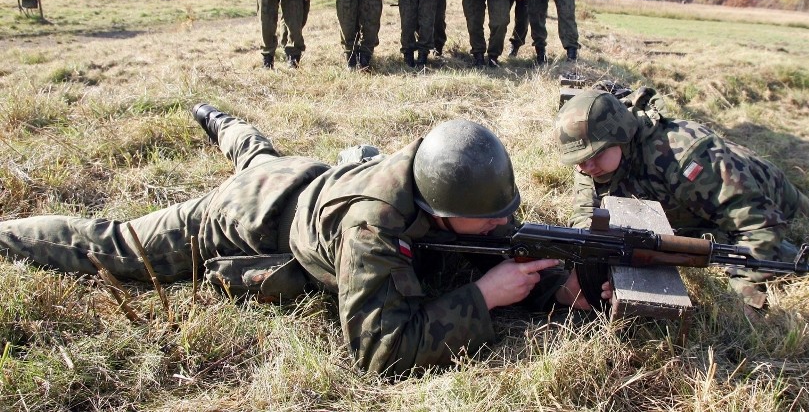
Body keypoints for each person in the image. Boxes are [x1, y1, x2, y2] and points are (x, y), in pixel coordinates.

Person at [0, 105, 611, 376]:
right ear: (438, 206)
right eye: (490, 220)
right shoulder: (373, 227)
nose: (503, 226)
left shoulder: (461, 185)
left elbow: (496, 244)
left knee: (255, 150)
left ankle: (220, 120)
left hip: (310, 175)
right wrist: (485, 298)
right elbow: (379, 349)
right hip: (253, 211)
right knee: (115, 247)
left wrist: (555, 283)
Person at [554, 87, 809, 310]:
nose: (584, 168)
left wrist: (745, 300)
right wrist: (594, 266)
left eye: (593, 157)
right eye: (578, 161)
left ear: (622, 136)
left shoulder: (684, 158)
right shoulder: (593, 161)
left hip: (763, 193)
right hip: (690, 213)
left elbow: (759, 222)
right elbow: (586, 215)